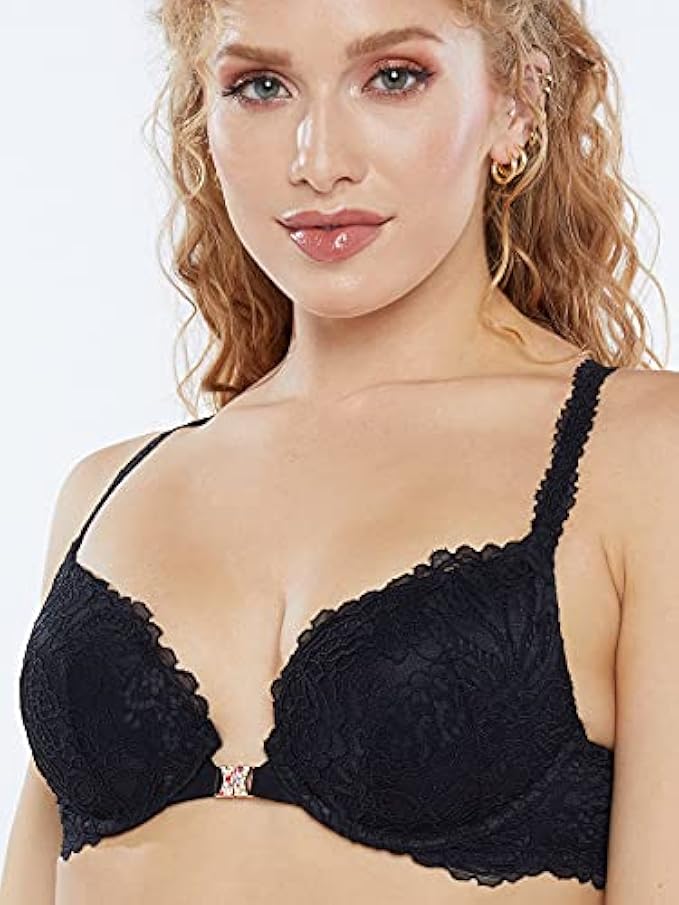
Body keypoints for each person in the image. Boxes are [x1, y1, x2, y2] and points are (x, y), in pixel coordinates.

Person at [2, 1, 676, 903]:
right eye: (260, 86)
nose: (318, 160)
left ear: (516, 104)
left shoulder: (639, 455)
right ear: (204, 114)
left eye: (393, 77)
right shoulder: (105, 491)